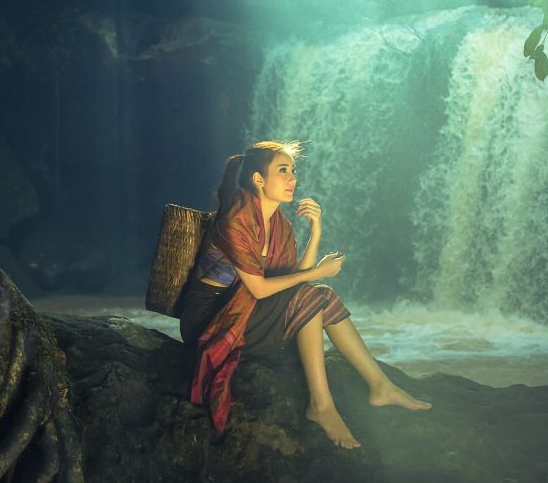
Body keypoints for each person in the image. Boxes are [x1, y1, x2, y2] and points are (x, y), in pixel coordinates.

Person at [178, 140, 431, 449]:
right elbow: (261, 287)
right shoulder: (236, 222)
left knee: (318, 295)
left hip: (248, 311)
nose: (292, 179)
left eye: (293, 171)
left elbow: (295, 281)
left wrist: (316, 232)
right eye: (282, 171)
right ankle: (322, 406)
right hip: (211, 318)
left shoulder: (279, 223)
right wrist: (317, 273)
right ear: (258, 179)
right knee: (316, 292)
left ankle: (380, 387)